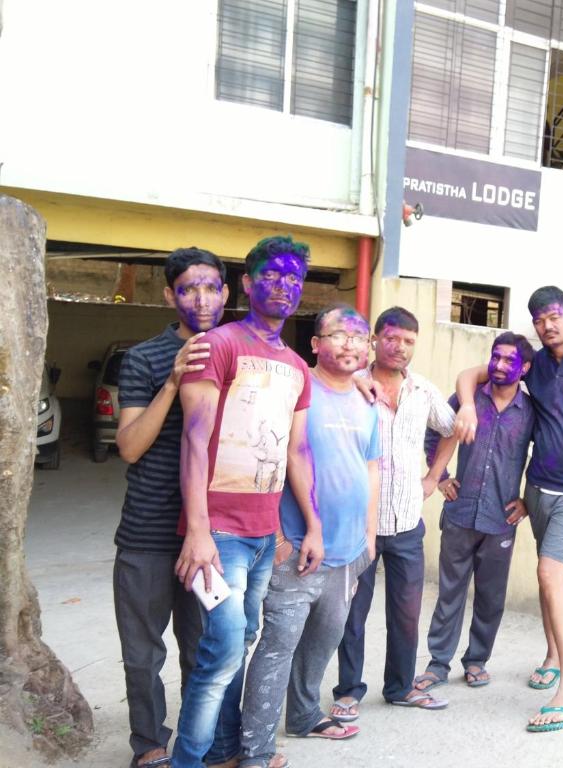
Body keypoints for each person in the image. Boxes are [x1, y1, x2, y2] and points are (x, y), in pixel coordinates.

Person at [172, 235, 323, 768]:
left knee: (243, 640)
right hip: (218, 536)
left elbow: (297, 452)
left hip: (263, 538)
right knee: (222, 653)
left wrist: (310, 527)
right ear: (248, 283)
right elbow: (194, 440)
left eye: (294, 278)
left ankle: (224, 752)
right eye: (273, 275)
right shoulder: (219, 346)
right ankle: (187, 761)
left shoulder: (298, 369)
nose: (284, 286)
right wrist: (197, 531)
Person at [453, 285, 563, 733]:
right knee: (548, 580)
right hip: (539, 491)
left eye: (553, 316)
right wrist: (469, 404)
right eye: (539, 319)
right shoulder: (537, 364)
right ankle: (551, 655)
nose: (547, 325)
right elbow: (473, 374)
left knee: (550, 576)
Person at [238, 304, 380, 767]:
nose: (351, 344)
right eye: (339, 335)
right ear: (316, 344)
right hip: (298, 548)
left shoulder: (367, 399)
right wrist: (279, 537)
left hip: (348, 551)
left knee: (325, 638)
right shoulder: (297, 390)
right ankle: (256, 748)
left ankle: (303, 715)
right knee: (279, 645)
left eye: (359, 337)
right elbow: (269, 460)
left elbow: (372, 467)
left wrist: (369, 538)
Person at [113, 247, 228, 768]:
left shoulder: (239, 354)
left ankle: (197, 744)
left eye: (210, 287)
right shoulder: (142, 358)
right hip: (148, 531)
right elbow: (130, 446)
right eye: (188, 288)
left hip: (214, 535)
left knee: (204, 651)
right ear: (169, 295)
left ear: (226, 294)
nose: (201, 298)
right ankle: (150, 746)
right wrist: (174, 380)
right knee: (143, 655)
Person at [332, 306, 457, 718]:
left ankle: (400, 687)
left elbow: (452, 428)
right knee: (352, 613)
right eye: (391, 338)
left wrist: (434, 477)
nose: (399, 347)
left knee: (405, 614)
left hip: (406, 523)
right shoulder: (352, 386)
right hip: (358, 524)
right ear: (375, 340)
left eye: (408, 341)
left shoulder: (423, 391)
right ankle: (348, 691)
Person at [413, 332, 535, 694]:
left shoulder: (529, 412)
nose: (498, 365)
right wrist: (443, 477)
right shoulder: (467, 400)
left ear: (524, 368)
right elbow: (435, 433)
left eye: (508, 360)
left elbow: (542, 456)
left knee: (491, 596)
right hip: (460, 513)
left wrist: (527, 500)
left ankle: (477, 660)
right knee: (450, 591)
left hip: (501, 520)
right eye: (494, 357)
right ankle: (438, 663)